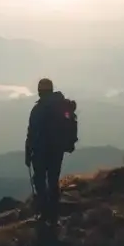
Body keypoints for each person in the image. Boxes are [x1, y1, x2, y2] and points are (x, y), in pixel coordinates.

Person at [25, 78, 77, 222]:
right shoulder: (62, 106)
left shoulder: (38, 110)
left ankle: (44, 213)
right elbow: (69, 120)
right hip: (56, 150)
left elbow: (31, 132)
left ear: (40, 91)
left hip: (40, 151)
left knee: (40, 181)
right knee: (53, 180)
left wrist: (28, 153)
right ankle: (53, 213)